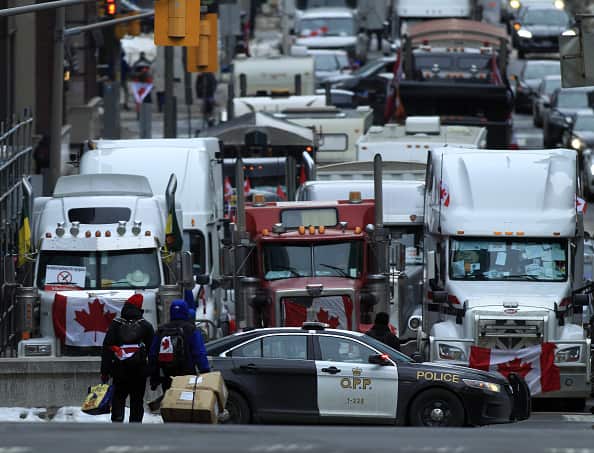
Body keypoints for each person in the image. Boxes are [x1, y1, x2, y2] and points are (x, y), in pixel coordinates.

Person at [101, 293, 155, 423]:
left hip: (119, 369)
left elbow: (107, 348)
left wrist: (105, 372)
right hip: (139, 371)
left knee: (118, 397)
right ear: (139, 308)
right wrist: (151, 372)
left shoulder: (116, 324)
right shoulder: (146, 326)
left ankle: (117, 420)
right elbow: (152, 351)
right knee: (137, 400)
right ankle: (135, 425)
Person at [149, 299, 210, 393]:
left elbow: (153, 355)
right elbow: (199, 352)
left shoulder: (161, 330)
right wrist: (205, 371)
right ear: (185, 311)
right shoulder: (191, 329)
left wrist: (154, 378)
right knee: (185, 402)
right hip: (187, 375)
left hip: (167, 375)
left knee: (169, 401)